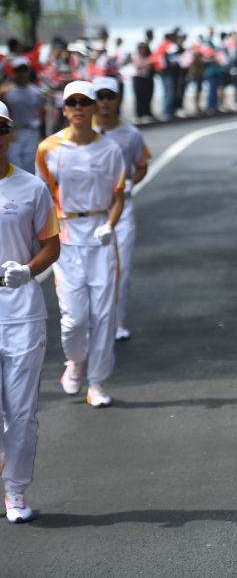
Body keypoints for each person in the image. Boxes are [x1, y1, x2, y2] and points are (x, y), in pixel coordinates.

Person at [35, 81, 126, 408]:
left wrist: (110, 225)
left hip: (100, 236)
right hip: (67, 238)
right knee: (74, 318)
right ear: (64, 109)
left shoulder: (110, 149)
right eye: (71, 102)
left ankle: (97, 382)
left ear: (92, 108)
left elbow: (118, 196)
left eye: (83, 102)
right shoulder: (48, 149)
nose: (77, 108)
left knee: (104, 315)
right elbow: (40, 200)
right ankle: (74, 360)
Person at [0, 101, 60, 523]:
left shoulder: (31, 188)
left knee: (20, 414)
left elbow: (51, 246)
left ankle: (16, 492)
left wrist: (26, 272)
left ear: (10, 135)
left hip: (21, 312)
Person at [92, 77, 151, 342]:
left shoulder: (130, 134)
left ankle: (116, 322)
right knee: (90, 271)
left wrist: (130, 182)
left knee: (121, 269)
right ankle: (92, 320)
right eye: (99, 97)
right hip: (87, 211)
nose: (104, 102)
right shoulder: (79, 133)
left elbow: (142, 165)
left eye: (109, 96)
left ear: (117, 99)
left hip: (122, 208)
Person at [1, 57, 46, 172]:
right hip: (13, 133)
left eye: (24, 70)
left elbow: (41, 112)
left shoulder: (37, 93)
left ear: (29, 71)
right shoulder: (5, 93)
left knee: (30, 165)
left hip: (31, 132)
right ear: (14, 72)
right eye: (18, 70)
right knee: (14, 164)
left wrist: (41, 131)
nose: (22, 74)